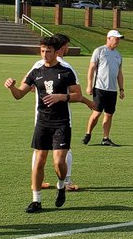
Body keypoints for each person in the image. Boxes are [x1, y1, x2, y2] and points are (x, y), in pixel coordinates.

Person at [6, 37, 82, 214]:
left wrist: (62, 97)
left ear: (56, 52)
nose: (45, 54)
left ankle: (61, 185)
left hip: (61, 122)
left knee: (59, 162)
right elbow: (19, 95)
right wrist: (11, 87)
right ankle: (36, 200)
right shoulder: (36, 71)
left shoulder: (66, 71)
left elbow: (78, 95)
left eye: (48, 51)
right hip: (42, 122)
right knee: (39, 160)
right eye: (42, 50)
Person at [27, 33, 90, 193]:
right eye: (67, 46)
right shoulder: (65, 67)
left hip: (40, 117)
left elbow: (33, 86)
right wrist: (89, 102)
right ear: (61, 48)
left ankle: (36, 183)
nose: (67, 49)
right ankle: (65, 182)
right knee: (62, 152)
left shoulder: (38, 65)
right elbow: (74, 95)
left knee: (40, 152)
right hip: (58, 118)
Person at [83, 30, 126, 146]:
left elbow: (119, 73)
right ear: (108, 38)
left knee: (109, 114)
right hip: (99, 88)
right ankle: (88, 133)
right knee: (96, 113)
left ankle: (105, 138)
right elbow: (91, 68)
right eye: (116, 38)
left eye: (118, 39)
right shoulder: (99, 51)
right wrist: (89, 85)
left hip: (112, 90)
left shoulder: (118, 55)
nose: (118, 41)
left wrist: (121, 89)